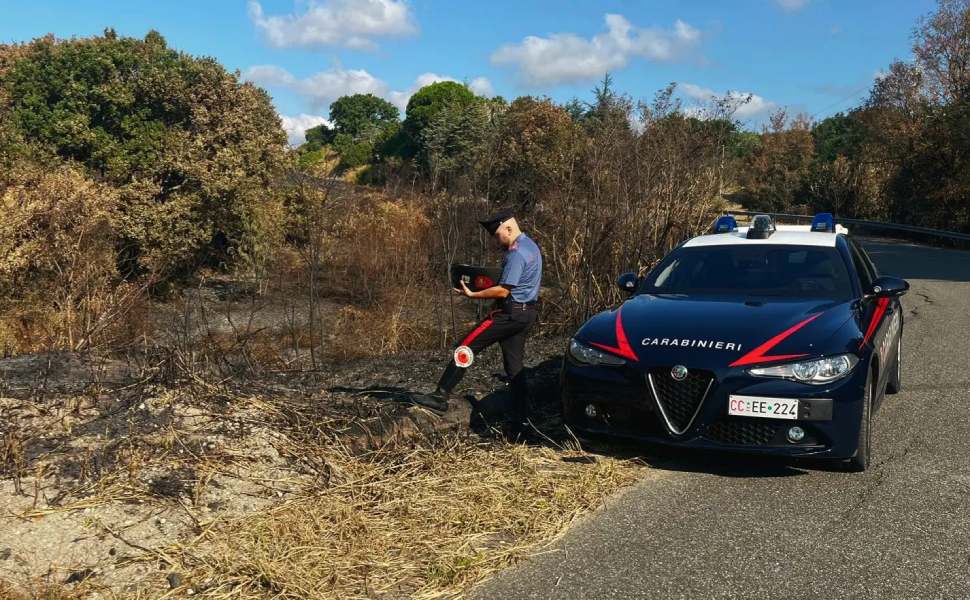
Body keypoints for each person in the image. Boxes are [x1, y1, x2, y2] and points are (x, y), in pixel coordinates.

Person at [413, 209, 542, 433]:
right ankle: (522, 417)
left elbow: (503, 290)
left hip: (509, 314)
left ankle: (440, 397)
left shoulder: (516, 253)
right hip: (526, 313)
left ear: (508, 227)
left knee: (466, 346)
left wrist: (472, 294)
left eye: (497, 235)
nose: (496, 241)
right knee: (514, 366)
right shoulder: (531, 246)